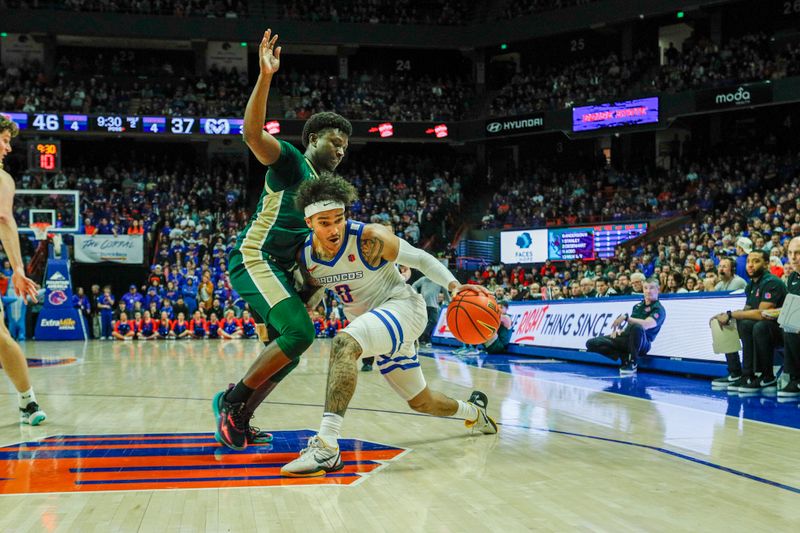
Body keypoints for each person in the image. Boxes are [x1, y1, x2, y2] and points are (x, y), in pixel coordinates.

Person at [280, 173, 498, 478]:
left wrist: (453, 286)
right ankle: (476, 412)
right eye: (324, 222)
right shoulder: (307, 257)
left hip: (402, 308)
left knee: (345, 343)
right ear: (310, 224)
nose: (333, 229)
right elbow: (315, 291)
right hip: (376, 327)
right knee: (422, 402)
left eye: (338, 219)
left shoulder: (370, 237)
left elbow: (421, 258)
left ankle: (327, 448)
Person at [214, 29, 353, 451]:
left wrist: (316, 287)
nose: (341, 150)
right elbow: (253, 135)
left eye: (345, 145)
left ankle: (240, 419)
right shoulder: (293, 163)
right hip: (254, 258)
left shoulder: (326, 193)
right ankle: (232, 402)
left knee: (288, 349)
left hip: (281, 269)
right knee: (301, 334)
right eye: (335, 141)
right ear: (314, 140)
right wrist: (265, 76)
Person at [0, 114, 46, 425]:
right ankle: (27, 401)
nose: (7, 147)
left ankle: (27, 400)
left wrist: (18, 267)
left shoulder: (2, 179)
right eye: (3, 140)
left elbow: (5, 221)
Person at [712, 249, 786, 393]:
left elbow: (762, 313)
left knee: (753, 324)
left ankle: (766, 376)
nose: (750, 265)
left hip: (780, 330)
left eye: (756, 261)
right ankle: (737, 373)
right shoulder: (751, 284)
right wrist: (726, 317)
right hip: (762, 326)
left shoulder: (772, 282)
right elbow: (747, 311)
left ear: (765, 264)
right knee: (729, 323)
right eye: (748, 262)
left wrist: (731, 314)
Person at [585, 278, 666, 375]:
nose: (648, 291)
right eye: (645, 288)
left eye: (651, 288)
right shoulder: (637, 306)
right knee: (591, 343)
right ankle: (624, 357)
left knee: (637, 327)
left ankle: (632, 363)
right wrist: (621, 331)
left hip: (643, 343)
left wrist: (625, 317)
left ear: (658, 289)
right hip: (628, 338)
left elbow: (646, 324)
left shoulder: (659, 309)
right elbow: (630, 325)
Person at [773, 237, 800, 399]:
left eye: (797, 253)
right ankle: (761, 375)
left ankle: (795, 378)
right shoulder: (792, 278)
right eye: (790, 253)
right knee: (759, 326)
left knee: (791, 326)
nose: (793, 257)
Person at [412, 274, 450, 347]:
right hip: (423, 305)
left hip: (433, 305)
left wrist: (450, 302)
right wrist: (416, 295)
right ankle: (425, 340)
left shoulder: (439, 281)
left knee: (434, 321)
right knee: (422, 323)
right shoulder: (423, 279)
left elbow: (445, 292)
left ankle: (420, 336)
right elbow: (414, 285)